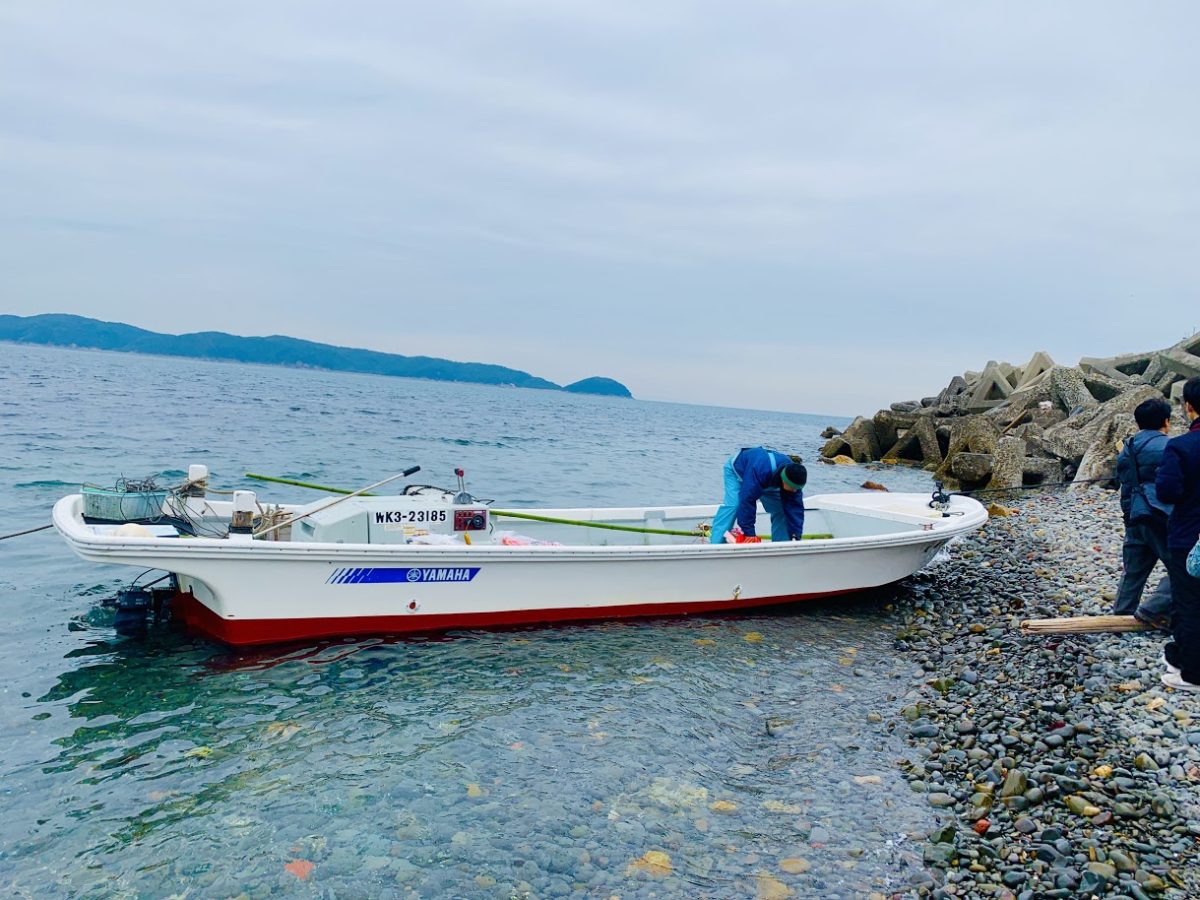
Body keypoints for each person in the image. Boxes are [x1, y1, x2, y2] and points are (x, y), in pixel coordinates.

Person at [1155, 376, 1200, 691]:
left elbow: (1168, 492)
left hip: (1189, 535)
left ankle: (1193, 674)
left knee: (1189, 604)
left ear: (1189, 407)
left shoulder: (1180, 446)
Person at [1112, 398, 1173, 628]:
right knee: (1183, 567)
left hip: (1135, 516)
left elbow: (1126, 488)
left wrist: (1128, 517)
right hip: (1161, 517)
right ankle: (1153, 608)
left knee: (1133, 572)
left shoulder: (1127, 449)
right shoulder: (1169, 447)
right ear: (1166, 421)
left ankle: (1119, 618)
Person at [709, 447, 806, 544]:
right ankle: (715, 544)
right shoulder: (760, 470)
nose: (795, 490)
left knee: (781, 510)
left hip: (767, 480)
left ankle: (781, 545)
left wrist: (796, 535)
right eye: (793, 487)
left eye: (797, 488)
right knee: (735, 506)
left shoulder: (795, 476)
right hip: (737, 472)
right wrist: (749, 534)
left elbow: (795, 508)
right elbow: (747, 501)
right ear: (785, 480)